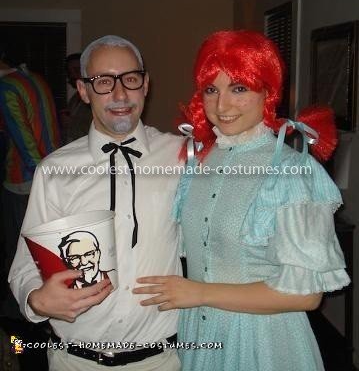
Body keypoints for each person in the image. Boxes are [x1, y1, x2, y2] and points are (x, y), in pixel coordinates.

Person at [133, 30, 351, 371]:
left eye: (238, 88)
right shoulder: (199, 161)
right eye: (211, 90)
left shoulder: (293, 172)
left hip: (263, 343)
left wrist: (200, 293)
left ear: (267, 90)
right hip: (200, 336)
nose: (222, 106)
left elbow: (306, 295)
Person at [9, 35, 183, 370]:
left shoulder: (181, 156)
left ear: (145, 85)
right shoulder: (55, 171)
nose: (120, 95)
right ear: (84, 90)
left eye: (130, 79)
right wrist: (37, 298)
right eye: (103, 82)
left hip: (160, 361)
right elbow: (25, 266)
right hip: (75, 361)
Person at [0, 58, 61, 319]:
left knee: (21, 251)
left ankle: (21, 320)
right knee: (45, 244)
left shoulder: (6, 87)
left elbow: (22, 136)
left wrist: (40, 176)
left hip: (24, 177)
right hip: (51, 168)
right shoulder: (36, 78)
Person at [60, 53, 92, 143]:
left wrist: (71, 123)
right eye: (70, 72)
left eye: (76, 70)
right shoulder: (75, 98)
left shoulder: (95, 97)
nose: (73, 75)